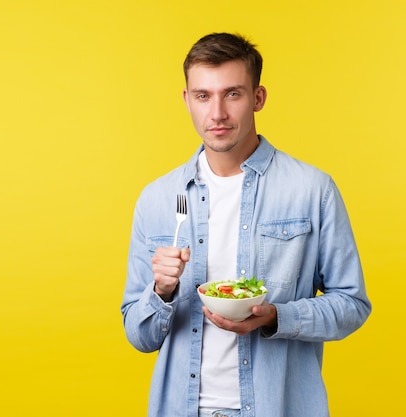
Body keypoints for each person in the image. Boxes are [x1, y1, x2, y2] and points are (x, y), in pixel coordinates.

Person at [121, 32, 371, 417]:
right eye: (203, 96)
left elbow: (352, 304)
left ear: (258, 98)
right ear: (187, 100)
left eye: (232, 94)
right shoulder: (157, 199)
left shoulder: (311, 190)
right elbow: (139, 336)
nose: (217, 113)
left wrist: (277, 317)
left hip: (277, 406)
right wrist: (161, 292)